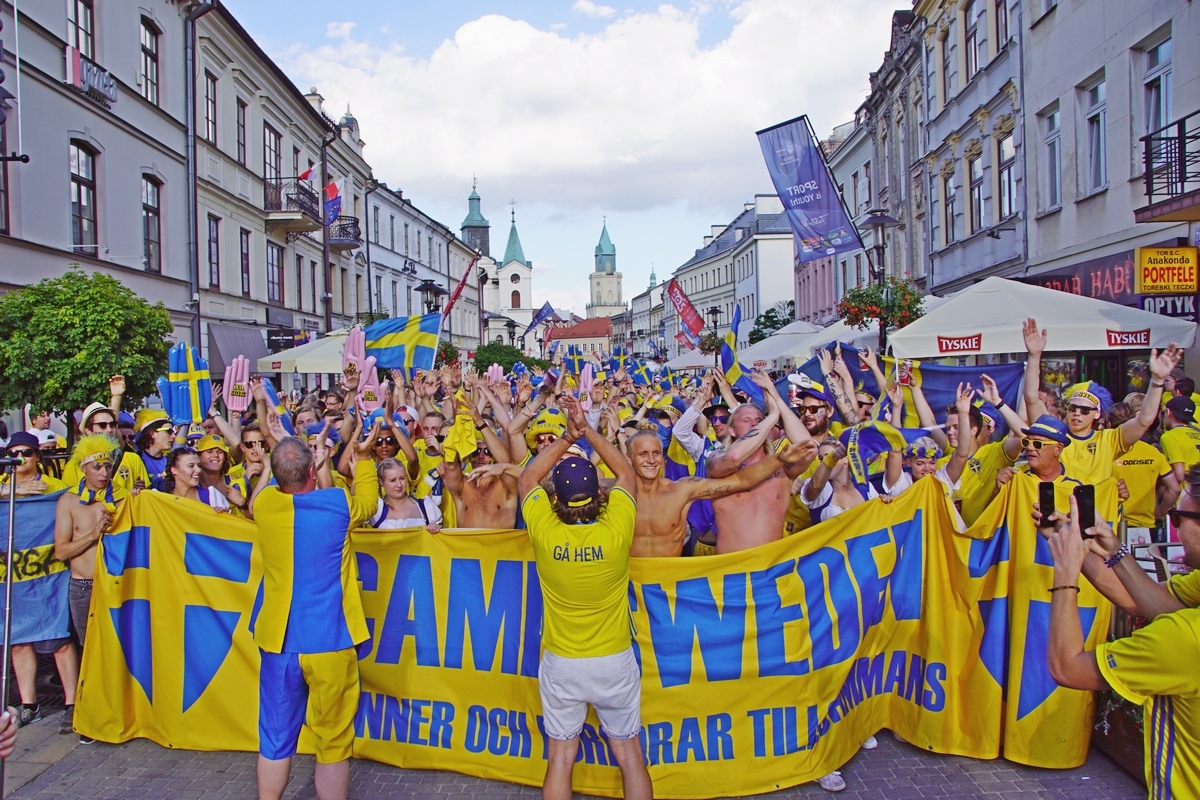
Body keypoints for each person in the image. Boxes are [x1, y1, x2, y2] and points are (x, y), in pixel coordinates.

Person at [516, 397, 651, 800]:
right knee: (629, 756)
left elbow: (527, 479)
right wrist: (587, 430)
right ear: (600, 494)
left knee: (559, 759)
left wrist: (564, 438)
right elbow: (626, 472)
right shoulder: (616, 531)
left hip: (562, 662)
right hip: (614, 660)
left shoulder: (545, 532)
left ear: (554, 497)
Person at [1045, 491, 1200, 798]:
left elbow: (1068, 668)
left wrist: (1066, 570)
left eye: (1178, 517)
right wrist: (1102, 550)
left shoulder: (1185, 638)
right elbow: (1141, 601)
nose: (1174, 528)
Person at [252, 428, 379, 800]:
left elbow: (284, 478)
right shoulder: (338, 504)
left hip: (279, 643)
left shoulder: (264, 506)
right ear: (313, 472)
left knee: (274, 739)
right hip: (330, 641)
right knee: (333, 743)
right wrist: (365, 456)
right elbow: (369, 502)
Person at [1021, 318, 1181, 483]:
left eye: (1085, 410)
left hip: (1097, 507)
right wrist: (1034, 356)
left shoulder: (1108, 440)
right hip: (1060, 506)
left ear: (1097, 414)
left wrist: (1156, 381)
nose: (1077, 413)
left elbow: (1144, 420)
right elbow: (1032, 398)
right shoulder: (1054, 435)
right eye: (1073, 408)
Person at [625, 428, 816, 557]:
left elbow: (741, 481)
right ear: (629, 458)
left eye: (656, 453)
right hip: (630, 584)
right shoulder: (615, 492)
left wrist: (780, 459)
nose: (651, 460)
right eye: (643, 454)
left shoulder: (681, 489)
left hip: (668, 584)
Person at [1, 433, 78, 734]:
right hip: (13, 579)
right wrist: (15, 489)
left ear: (38, 456)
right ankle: (29, 704)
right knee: (19, 643)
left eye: (27, 452)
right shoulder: (4, 485)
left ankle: (72, 704)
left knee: (58, 640)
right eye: (13, 452)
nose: (20, 458)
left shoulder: (56, 488)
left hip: (50, 579)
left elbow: (81, 498)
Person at [53, 434, 121, 743]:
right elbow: (62, 551)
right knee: (90, 653)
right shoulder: (68, 502)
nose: (104, 472)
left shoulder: (122, 498)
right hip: (83, 587)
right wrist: (94, 534)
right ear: (84, 468)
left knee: (117, 651)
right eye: (97, 466)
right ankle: (91, 718)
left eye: (108, 465)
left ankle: (116, 713)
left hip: (115, 587)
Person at [706, 373, 814, 554]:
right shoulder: (716, 458)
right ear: (731, 430)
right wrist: (771, 417)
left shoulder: (781, 467)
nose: (754, 425)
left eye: (758, 421)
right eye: (746, 421)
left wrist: (776, 398)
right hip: (733, 570)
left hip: (772, 570)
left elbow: (809, 449)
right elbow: (733, 459)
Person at [1108, 402, 1177, 546]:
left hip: (1112, 525)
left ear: (1109, 424)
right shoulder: (1152, 451)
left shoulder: (1105, 451)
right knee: (1145, 568)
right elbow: (1174, 488)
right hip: (1146, 527)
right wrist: (1160, 513)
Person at [60, 402, 149, 497]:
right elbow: (68, 499)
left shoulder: (133, 459)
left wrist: (141, 492)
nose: (109, 429)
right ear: (88, 430)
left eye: (112, 424)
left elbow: (146, 497)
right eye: (102, 425)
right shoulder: (74, 465)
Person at [369, 457, 441, 532]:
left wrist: (436, 528)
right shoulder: (376, 509)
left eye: (402, 478)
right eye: (392, 480)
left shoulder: (425, 506)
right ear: (381, 482)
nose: (399, 485)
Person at [163, 446, 231, 512]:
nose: (198, 470)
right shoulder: (162, 499)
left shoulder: (212, 497)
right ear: (174, 470)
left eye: (198, 465)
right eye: (191, 466)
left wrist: (224, 516)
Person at [1159, 396, 1200, 486]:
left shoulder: (1169, 437)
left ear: (1169, 412)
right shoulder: (1198, 434)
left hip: (1186, 493)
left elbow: (1180, 475)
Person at [134, 409, 174, 491]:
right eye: (168, 431)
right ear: (152, 434)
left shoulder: (172, 459)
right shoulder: (135, 459)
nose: (173, 436)